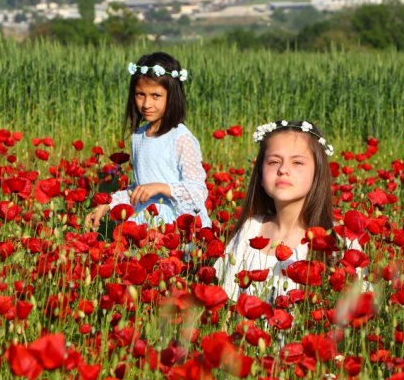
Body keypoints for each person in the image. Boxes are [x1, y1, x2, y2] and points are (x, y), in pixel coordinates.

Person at [214, 120, 362, 303]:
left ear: (318, 173)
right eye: (274, 161)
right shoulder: (249, 230)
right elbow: (224, 300)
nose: (283, 170)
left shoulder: (339, 241)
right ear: (260, 174)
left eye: (298, 162)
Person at [85, 52, 211, 230]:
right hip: (145, 222)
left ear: (172, 95)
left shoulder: (181, 138)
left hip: (175, 226)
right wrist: (109, 204)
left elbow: (197, 192)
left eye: (155, 96)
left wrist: (161, 188)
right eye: (140, 95)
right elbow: (139, 189)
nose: (146, 104)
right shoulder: (138, 137)